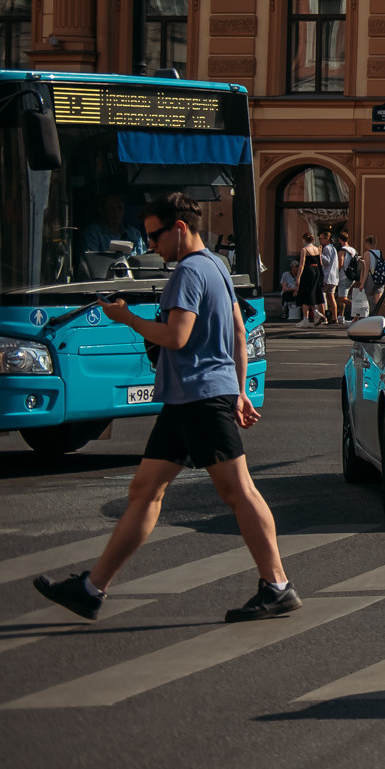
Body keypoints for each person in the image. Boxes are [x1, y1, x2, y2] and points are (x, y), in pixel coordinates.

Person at [35, 194, 298, 624]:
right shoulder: (216, 265)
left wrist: (127, 318)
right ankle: (91, 589)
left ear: (179, 228)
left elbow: (176, 337)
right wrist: (238, 390)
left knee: (240, 492)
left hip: (198, 398)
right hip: (187, 399)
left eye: (155, 236)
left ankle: (278, 586)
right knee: (144, 491)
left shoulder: (188, 272)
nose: (150, 245)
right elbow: (237, 328)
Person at [296, 232, 327, 324]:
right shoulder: (317, 249)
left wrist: (298, 277)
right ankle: (320, 315)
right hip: (317, 271)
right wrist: (321, 276)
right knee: (317, 293)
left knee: (306, 294)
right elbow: (320, 263)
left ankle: (305, 319)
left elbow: (301, 264)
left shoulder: (305, 249)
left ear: (304, 240)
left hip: (308, 271)